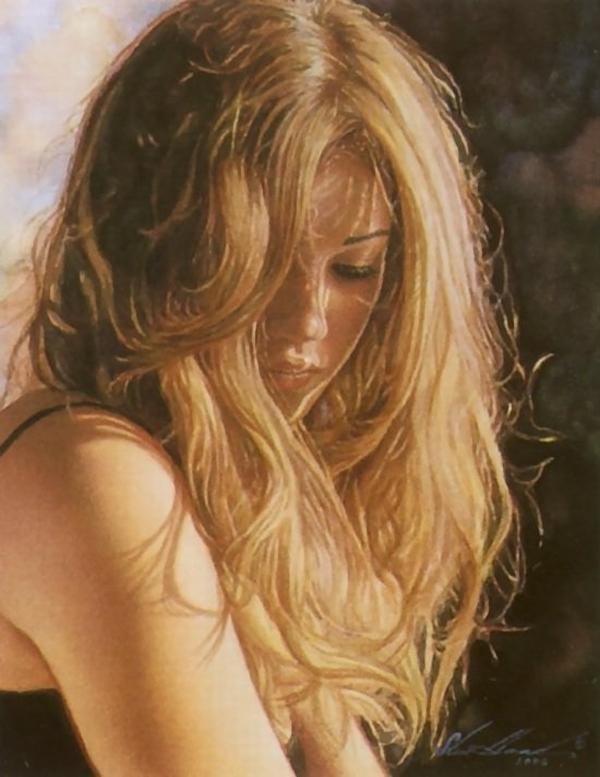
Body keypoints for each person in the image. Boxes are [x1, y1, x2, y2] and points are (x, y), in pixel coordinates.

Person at [0, 0, 521, 774]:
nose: (306, 320)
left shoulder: (225, 500)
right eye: (262, 260)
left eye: (355, 269)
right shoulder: (95, 471)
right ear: (154, 239)